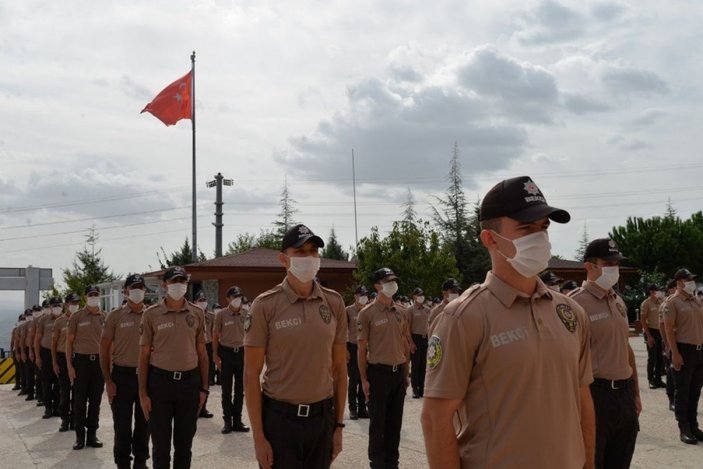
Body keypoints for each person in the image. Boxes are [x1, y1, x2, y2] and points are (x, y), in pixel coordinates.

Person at [422, 175, 595, 469]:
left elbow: (582, 400)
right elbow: (436, 418)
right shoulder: (464, 317)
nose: (540, 238)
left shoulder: (570, 313)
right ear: (490, 239)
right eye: (526, 228)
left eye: (543, 228)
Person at [244, 224, 347, 469]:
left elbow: (340, 369)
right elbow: (251, 374)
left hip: (321, 421)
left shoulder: (333, 302)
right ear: (283, 259)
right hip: (280, 422)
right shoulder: (265, 305)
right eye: (300, 252)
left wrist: (339, 427)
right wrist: (259, 437)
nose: (308, 257)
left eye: (313, 251)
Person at [570, 238, 640, 467]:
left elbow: (625, 348)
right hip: (595, 394)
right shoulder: (574, 304)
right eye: (608, 262)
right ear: (590, 266)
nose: (614, 268)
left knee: (621, 461)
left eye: (616, 263)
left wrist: (635, 392)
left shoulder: (618, 300)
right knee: (592, 461)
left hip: (624, 393)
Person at [138, 266, 209, 469]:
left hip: (189, 385)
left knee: (184, 446)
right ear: (164, 285)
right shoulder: (151, 314)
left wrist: (204, 389)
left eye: (182, 282)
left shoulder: (196, 313)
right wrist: (143, 392)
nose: (178, 286)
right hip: (160, 384)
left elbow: (202, 354)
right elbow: (143, 355)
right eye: (174, 282)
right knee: (161, 448)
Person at [357, 267, 410, 469]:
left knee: (394, 423)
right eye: (387, 281)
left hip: (398, 374)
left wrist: (406, 373)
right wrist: (363, 379)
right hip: (378, 373)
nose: (392, 285)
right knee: (378, 424)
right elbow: (361, 350)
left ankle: (392, 463)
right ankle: (378, 464)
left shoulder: (400, 312)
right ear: (377, 286)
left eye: (393, 281)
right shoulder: (367, 314)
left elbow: (404, 344)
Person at [100, 274, 150, 469]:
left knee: (144, 424)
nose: (137, 290)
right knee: (122, 426)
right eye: (133, 287)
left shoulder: (152, 315)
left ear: (145, 290)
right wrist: (108, 380)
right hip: (121, 377)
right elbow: (104, 348)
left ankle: (140, 462)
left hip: (146, 376)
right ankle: (123, 463)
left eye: (140, 287)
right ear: (125, 291)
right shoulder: (115, 316)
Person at [662, 268, 703, 444]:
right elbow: (668, 329)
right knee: (683, 391)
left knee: (695, 390)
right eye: (688, 280)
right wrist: (675, 353)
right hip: (683, 350)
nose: (691, 283)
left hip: (699, 350)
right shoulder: (672, 302)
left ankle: (694, 425)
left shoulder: (695, 301)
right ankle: (684, 428)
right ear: (679, 282)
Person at [66, 285, 106, 450]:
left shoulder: (105, 317)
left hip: (99, 364)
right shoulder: (76, 317)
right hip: (81, 364)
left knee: (95, 402)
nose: (94, 297)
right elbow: (69, 343)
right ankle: (79, 436)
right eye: (91, 294)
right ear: (85, 296)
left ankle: (92, 435)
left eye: (96, 294)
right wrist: (70, 366)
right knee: (80, 402)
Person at [212, 286, 249, 434]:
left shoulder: (246, 314)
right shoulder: (221, 314)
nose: (237, 299)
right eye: (234, 297)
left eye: (239, 296)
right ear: (228, 299)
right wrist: (215, 356)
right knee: (226, 390)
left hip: (241, 353)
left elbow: (251, 335)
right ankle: (227, 421)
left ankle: (238, 421)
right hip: (226, 354)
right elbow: (215, 336)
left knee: (240, 390)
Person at [345, 286, 369, 420]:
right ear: (355, 296)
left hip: (366, 348)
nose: (364, 297)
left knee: (363, 378)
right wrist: (345, 350)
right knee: (354, 380)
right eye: (361, 295)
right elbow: (342, 331)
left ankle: (362, 408)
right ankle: (353, 409)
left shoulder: (369, 310)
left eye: (365, 295)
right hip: (353, 347)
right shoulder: (348, 311)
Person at [52, 294, 75, 432]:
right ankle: (65, 420)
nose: (75, 305)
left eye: (77, 302)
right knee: (65, 392)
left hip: (77, 358)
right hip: (61, 357)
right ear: (66, 304)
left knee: (78, 394)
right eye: (72, 302)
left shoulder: (79, 318)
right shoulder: (59, 321)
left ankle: (75, 420)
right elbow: (54, 344)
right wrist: (54, 362)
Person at [34, 299, 60, 419]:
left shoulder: (66, 319)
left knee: (59, 383)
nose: (56, 308)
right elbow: (37, 339)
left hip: (60, 354)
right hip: (46, 354)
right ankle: (48, 408)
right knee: (47, 382)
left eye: (58, 305)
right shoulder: (43, 320)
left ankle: (57, 407)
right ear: (50, 307)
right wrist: (37, 356)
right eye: (54, 306)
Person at [194, 291, 215, 419]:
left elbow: (214, 331)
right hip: (196, 347)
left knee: (206, 377)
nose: (203, 302)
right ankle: (195, 406)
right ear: (195, 301)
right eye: (200, 300)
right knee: (196, 377)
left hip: (208, 345)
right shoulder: (193, 314)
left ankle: (204, 407)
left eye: (204, 300)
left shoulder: (212, 316)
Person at [641, 284, 665, 389]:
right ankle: (651, 380)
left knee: (661, 357)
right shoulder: (646, 303)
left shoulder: (661, 302)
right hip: (651, 332)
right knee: (652, 357)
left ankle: (658, 379)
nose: (659, 292)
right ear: (651, 291)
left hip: (661, 332)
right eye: (657, 290)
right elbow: (643, 320)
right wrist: (649, 336)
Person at [408, 287, 430, 399]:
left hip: (425, 338)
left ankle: (422, 387)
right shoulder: (411, 310)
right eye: (419, 295)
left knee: (423, 365)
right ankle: (415, 388)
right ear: (414, 297)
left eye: (422, 295)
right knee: (415, 365)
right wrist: (410, 342)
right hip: (415, 338)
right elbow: (407, 327)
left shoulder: (427, 309)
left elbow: (429, 325)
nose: (421, 297)